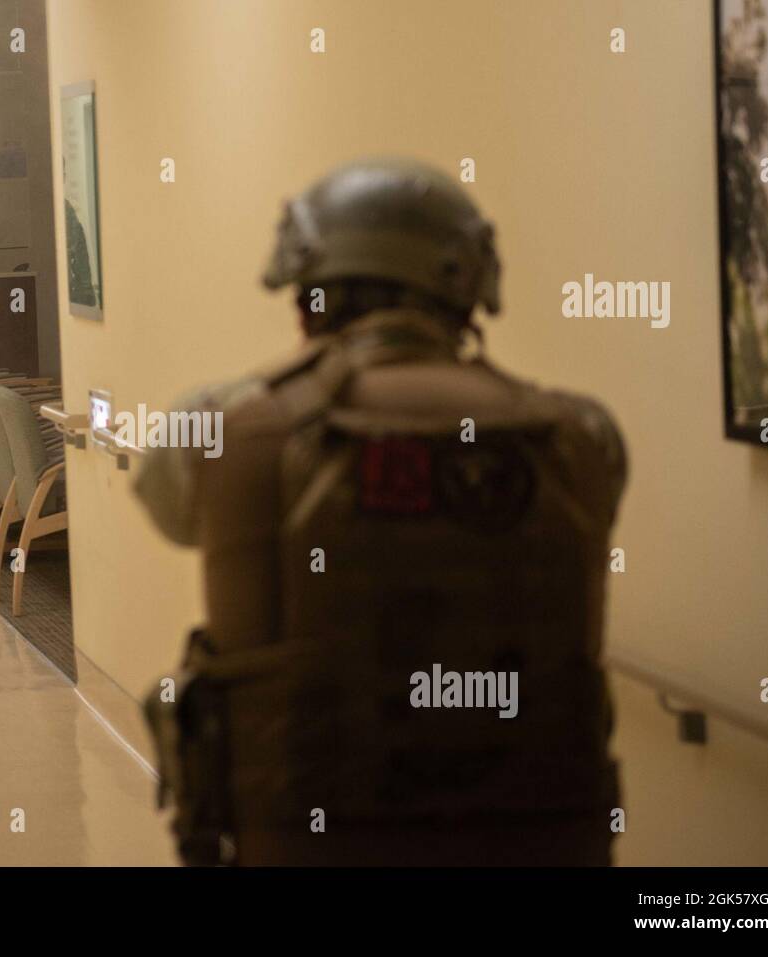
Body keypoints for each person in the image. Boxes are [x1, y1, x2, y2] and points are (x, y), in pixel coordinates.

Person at [134, 158, 627, 866]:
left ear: (308, 301)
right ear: (468, 296)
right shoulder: (582, 435)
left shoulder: (226, 429)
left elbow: (167, 501)